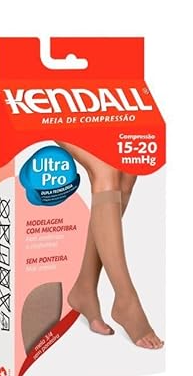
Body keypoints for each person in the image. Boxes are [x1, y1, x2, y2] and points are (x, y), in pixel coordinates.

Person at [57, 142, 164, 350]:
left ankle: (85, 287)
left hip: (98, 121)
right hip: (55, 120)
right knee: (105, 169)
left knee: (128, 170)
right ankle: (126, 299)